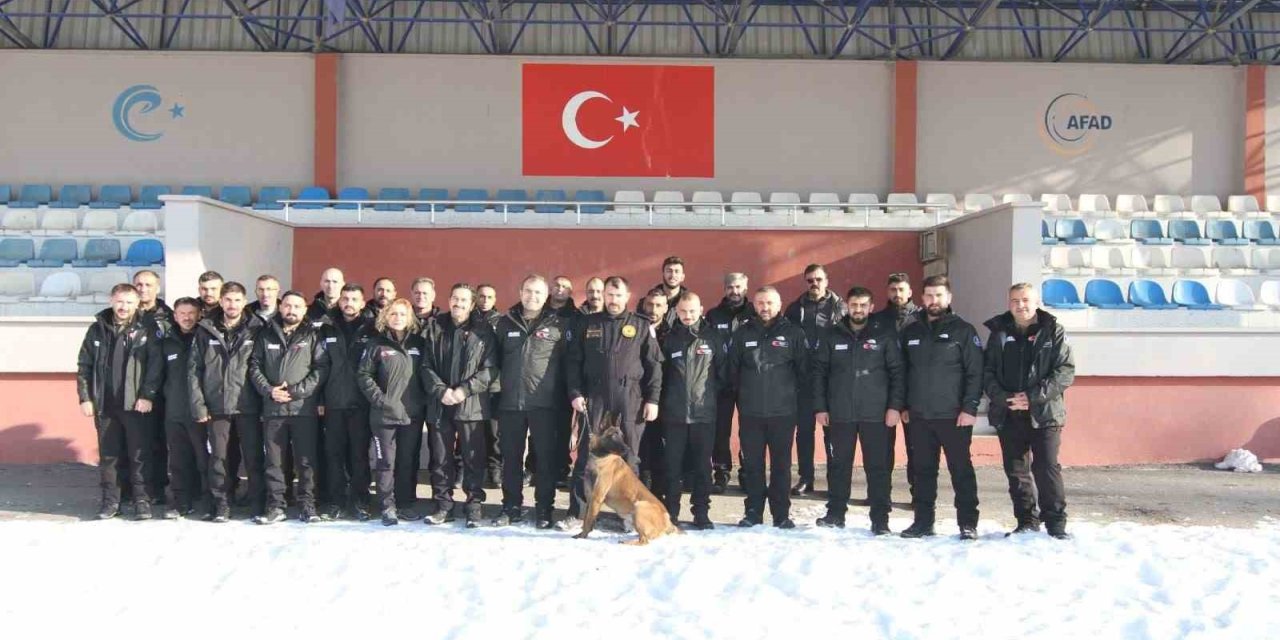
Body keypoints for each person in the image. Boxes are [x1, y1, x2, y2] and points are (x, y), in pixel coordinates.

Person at [561, 276, 662, 531]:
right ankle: (578, 513)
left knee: (629, 457)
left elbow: (654, 366)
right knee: (586, 457)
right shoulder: (588, 323)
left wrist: (653, 399)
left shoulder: (641, 325)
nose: (613, 300)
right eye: (609, 295)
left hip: (630, 399)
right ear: (603, 296)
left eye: (618, 295)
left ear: (627, 296)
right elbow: (573, 363)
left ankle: (628, 517)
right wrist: (575, 393)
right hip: (594, 399)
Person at [983, 283, 1075, 540]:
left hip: (1044, 413)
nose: (1020, 305)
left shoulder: (1053, 331)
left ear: (1035, 302)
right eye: (1014, 300)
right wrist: (1003, 398)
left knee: (1047, 468)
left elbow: (1065, 371)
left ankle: (1056, 524)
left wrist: (1032, 398)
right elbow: (987, 371)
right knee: (1016, 470)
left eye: (1025, 300)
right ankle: (1026, 520)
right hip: (1009, 412)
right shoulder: (999, 332)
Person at [812, 287, 904, 535]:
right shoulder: (832, 335)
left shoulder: (884, 334)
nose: (858, 309)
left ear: (871, 307)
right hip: (840, 414)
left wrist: (895, 407)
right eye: (854, 305)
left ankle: (880, 519)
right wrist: (820, 407)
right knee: (838, 466)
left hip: (876, 415)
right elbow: (819, 373)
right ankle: (835, 514)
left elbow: (897, 373)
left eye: (864, 305)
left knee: (878, 468)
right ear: (847, 306)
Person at [900, 275, 984, 540]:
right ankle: (923, 522)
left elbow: (975, 373)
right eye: (929, 295)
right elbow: (902, 372)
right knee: (922, 471)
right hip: (920, 416)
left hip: (954, 416)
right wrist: (903, 405)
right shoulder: (911, 331)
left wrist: (969, 408)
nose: (933, 301)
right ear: (922, 298)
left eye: (938, 295)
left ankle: (968, 523)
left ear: (948, 298)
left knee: (961, 470)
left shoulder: (964, 331)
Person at [491, 275, 572, 529]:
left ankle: (544, 510)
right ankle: (511, 507)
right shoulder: (504, 323)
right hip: (510, 404)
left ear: (545, 295)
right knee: (511, 459)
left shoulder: (558, 325)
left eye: (538, 293)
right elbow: (493, 362)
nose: (532, 297)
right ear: (520, 291)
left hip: (544, 406)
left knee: (545, 461)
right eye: (528, 291)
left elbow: (567, 367)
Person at [76, 284, 163, 520]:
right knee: (109, 456)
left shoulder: (147, 328)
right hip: (105, 405)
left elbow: (156, 366)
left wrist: (147, 395)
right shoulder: (97, 329)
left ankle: (142, 501)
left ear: (137, 304)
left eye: (129, 302)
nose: (124, 307)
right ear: (111, 301)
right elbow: (84, 365)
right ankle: (110, 502)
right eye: (120, 301)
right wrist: (85, 397)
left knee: (139, 454)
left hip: (136, 405)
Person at [729, 286, 808, 529]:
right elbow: (732, 371)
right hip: (751, 413)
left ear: (779, 304)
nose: (765, 307)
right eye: (761, 303)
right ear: (754, 304)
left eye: (770, 303)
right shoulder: (742, 334)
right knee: (752, 466)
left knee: (781, 466)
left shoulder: (794, 333)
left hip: (783, 413)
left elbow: (804, 372)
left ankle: (781, 514)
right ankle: (753, 512)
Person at [188, 282, 266, 522]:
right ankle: (221, 504)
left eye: (237, 300)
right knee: (218, 459)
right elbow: (194, 370)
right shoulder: (205, 329)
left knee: (253, 457)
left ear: (244, 302)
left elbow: (264, 366)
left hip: (248, 405)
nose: (232, 305)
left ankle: (257, 503)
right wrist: (199, 404)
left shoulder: (258, 328)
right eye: (228, 300)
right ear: (221, 302)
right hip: (217, 405)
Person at [249, 291, 330, 524]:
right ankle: (276, 506)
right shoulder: (265, 335)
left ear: (304, 310)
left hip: (303, 409)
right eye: (287, 305)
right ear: (280, 307)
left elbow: (321, 368)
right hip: (273, 408)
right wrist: (269, 390)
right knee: (274, 461)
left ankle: (308, 505)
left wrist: (295, 391)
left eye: (297, 306)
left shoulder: (313, 335)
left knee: (306, 460)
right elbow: (254, 366)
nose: (291, 310)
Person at [421, 284, 497, 528]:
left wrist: (465, 389)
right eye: (455, 298)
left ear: (472, 304)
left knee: (473, 458)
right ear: (449, 299)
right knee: (441, 458)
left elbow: (490, 369)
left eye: (464, 300)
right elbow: (425, 366)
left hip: (471, 404)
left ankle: (474, 506)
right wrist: (441, 390)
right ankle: (443, 505)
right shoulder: (435, 326)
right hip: (440, 403)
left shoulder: (484, 331)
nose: (459, 304)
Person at [356, 298, 427, 526]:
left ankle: (404, 504)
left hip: (411, 414)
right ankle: (387, 505)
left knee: (406, 461)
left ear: (410, 318)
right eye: (394, 314)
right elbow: (364, 375)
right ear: (386, 316)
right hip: (383, 415)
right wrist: (380, 399)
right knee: (385, 462)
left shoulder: (419, 343)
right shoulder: (376, 344)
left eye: (403, 315)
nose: (398, 318)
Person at [660, 292, 726, 529]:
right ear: (676, 312)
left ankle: (701, 513)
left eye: (692, 311)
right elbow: (662, 376)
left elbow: (723, 374)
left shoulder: (712, 338)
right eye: (683, 311)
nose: (688, 316)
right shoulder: (669, 339)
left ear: (701, 309)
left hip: (703, 415)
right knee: (672, 467)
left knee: (702, 468)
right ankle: (672, 513)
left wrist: (706, 397)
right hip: (674, 415)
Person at [784, 263, 847, 497]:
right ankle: (806, 477)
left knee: (832, 431)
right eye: (810, 280)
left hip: (832, 379)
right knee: (804, 432)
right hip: (803, 379)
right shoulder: (795, 309)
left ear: (827, 280)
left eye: (818, 279)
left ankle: (834, 479)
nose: (814, 284)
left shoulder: (841, 308)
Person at [318, 284, 377, 521]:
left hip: (361, 404)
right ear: (339, 301)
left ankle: (361, 501)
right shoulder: (326, 327)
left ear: (363, 303)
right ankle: (336, 502)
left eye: (354, 298)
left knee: (360, 456)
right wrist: (320, 399)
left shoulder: (372, 329)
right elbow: (319, 366)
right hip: (333, 403)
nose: (349, 302)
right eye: (345, 298)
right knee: (334, 455)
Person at [705, 272, 755, 493]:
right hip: (721, 381)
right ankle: (721, 472)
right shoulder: (713, 315)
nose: (734, 292)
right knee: (720, 430)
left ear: (745, 288)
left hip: (749, 381)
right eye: (730, 287)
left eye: (738, 287)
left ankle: (748, 473)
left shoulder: (755, 313)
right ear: (724, 289)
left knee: (749, 429)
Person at [159, 297, 207, 520]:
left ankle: (208, 502)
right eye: (182, 313)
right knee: (178, 460)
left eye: (191, 313)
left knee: (205, 460)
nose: (187, 317)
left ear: (199, 315)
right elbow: (157, 375)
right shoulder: (167, 341)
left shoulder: (205, 337)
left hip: (202, 411)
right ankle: (181, 502)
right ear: (175, 315)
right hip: (174, 411)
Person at [873, 272, 919, 503]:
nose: (897, 294)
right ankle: (881, 495)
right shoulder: (877, 320)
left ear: (910, 292)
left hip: (915, 393)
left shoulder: (922, 318)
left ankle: (917, 494)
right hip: (884, 393)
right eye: (893, 289)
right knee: (882, 449)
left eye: (902, 289)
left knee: (916, 448)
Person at [133, 269, 171, 504]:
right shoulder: (126, 315)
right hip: (131, 390)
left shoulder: (167, 316)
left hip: (162, 392)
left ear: (158, 288)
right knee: (135, 444)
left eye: (148, 285)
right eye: (139, 284)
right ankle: (133, 489)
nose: (143, 289)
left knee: (158, 443)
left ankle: (156, 489)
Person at [638, 288, 672, 497]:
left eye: (659, 305)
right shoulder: (633, 329)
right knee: (640, 449)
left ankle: (659, 496)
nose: (653, 309)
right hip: (637, 398)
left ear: (666, 308)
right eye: (650, 304)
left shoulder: (673, 332)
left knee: (661, 449)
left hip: (666, 400)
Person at [475, 282, 502, 490]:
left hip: (494, 385)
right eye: (482, 296)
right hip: (471, 383)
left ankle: (494, 469)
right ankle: (468, 469)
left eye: (489, 297)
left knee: (493, 432)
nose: (485, 300)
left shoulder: (501, 321)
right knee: (469, 430)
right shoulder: (468, 318)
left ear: (495, 300)